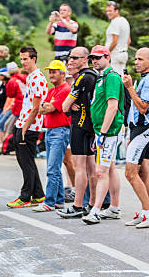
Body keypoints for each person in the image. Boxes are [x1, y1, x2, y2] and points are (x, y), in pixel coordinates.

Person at [82, 45, 125, 225]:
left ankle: (96, 210)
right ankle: (114, 207)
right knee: (110, 168)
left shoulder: (112, 77)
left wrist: (104, 133)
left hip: (110, 131)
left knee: (101, 171)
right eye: (93, 58)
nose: (95, 61)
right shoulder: (102, 77)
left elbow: (113, 106)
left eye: (98, 57)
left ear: (108, 57)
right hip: (103, 130)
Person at [59, 47, 100, 218]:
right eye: (69, 58)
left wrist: (70, 108)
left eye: (75, 58)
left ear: (85, 59)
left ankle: (77, 206)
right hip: (91, 126)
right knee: (91, 168)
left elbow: (64, 106)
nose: (70, 61)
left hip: (81, 126)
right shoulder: (94, 76)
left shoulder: (83, 77)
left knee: (80, 168)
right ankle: (91, 205)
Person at [122, 48, 149, 228]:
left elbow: (143, 107)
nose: (136, 62)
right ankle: (146, 212)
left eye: (140, 59)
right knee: (142, 172)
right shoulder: (144, 78)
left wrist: (129, 87)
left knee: (130, 173)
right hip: (137, 129)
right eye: (135, 58)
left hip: (143, 129)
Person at [7, 46, 48, 208]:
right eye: (21, 59)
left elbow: (36, 107)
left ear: (34, 59)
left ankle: (25, 197)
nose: (23, 62)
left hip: (29, 125)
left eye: (26, 59)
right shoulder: (30, 77)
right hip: (22, 121)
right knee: (26, 160)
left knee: (26, 161)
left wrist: (24, 128)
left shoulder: (37, 78)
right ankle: (38, 194)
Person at [33, 60, 71, 212]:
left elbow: (48, 107)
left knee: (52, 168)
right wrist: (48, 106)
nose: (51, 74)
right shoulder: (52, 90)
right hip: (51, 131)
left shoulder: (64, 89)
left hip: (59, 131)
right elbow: (42, 109)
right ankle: (59, 200)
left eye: (55, 71)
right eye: (50, 71)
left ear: (63, 74)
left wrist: (48, 106)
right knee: (55, 168)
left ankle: (49, 201)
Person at [105, 1, 131, 75]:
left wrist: (106, 54)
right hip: (123, 54)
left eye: (110, 11)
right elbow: (128, 41)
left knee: (115, 77)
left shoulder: (115, 22)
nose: (108, 13)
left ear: (116, 11)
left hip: (115, 55)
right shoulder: (125, 21)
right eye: (107, 11)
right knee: (122, 77)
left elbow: (114, 41)